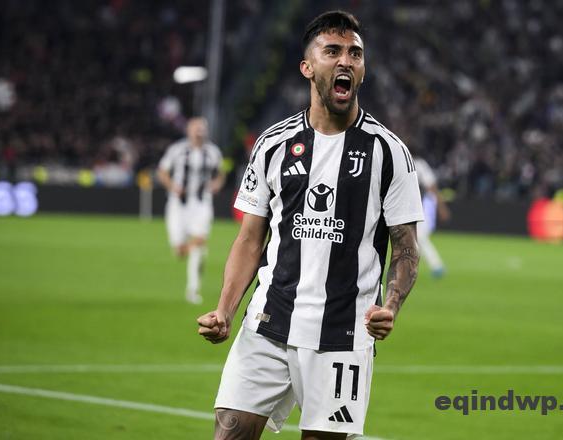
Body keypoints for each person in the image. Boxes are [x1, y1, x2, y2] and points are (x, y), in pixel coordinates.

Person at [197, 11, 423, 439]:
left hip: (343, 335)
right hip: (268, 323)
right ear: (307, 67)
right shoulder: (273, 145)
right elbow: (250, 239)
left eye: (355, 53)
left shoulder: (388, 152)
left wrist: (391, 307)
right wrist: (225, 310)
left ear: (363, 69)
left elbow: (407, 247)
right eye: (332, 51)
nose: (345, 61)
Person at [157, 117, 225, 304]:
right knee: (180, 251)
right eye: (196, 128)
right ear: (188, 131)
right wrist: (172, 186)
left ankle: (193, 290)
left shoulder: (212, 152)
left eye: (202, 128)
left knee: (200, 242)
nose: (199, 132)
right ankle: (192, 248)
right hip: (178, 205)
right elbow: (162, 172)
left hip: (202, 203)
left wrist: (217, 184)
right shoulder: (177, 150)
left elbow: (220, 173)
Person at [414, 156, 451, 277]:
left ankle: (437, 266)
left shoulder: (419, 164)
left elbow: (432, 186)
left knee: (419, 236)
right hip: (404, 206)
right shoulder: (395, 160)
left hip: (421, 205)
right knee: (412, 239)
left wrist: (441, 207)